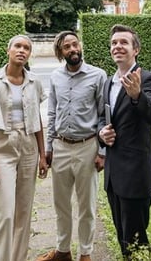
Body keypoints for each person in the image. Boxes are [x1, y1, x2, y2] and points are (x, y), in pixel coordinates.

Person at [36, 31, 108, 261]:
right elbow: (51, 111)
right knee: (61, 204)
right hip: (61, 147)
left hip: (87, 146)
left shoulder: (98, 76)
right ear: (60, 52)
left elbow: (104, 115)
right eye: (66, 47)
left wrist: (102, 151)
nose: (72, 49)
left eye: (74, 44)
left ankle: (85, 253)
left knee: (86, 205)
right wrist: (48, 148)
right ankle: (63, 251)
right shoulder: (56, 76)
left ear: (80, 46)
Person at [0, 34, 49, 261]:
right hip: (3, 147)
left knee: (24, 212)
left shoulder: (34, 82)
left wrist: (42, 155)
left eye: (26, 48)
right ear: (8, 50)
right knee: (5, 212)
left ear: (29, 54)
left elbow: (37, 119)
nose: (22, 50)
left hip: (29, 146)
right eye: (17, 46)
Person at [98, 24, 151, 259]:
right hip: (113, 175)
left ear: (136, 49)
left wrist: (138, 96)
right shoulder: (108, 82)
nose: (118, 46)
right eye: (114, 43)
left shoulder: (147, 79)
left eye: (123, 42)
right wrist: (101, 134)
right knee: (122, 237)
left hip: (135, 175)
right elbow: (102, 118)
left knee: (136, 239)